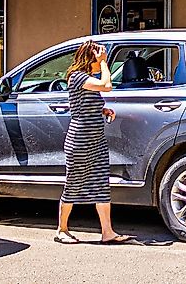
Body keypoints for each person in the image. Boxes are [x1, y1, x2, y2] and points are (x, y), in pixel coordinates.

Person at [55, 41, 131, 245]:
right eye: (97, 59)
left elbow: (86, 104)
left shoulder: (87, 80)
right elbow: (107, 86)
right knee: (73, 184)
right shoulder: (77, 77)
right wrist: (104, 62)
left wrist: (103, 110)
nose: (99, 64)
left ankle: (108, 232)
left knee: (101, 185)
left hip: (95, 140)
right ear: (90, 58)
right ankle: (62, 229)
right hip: (80, 141)